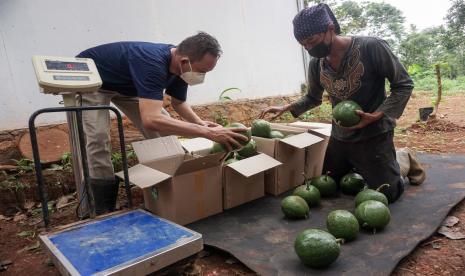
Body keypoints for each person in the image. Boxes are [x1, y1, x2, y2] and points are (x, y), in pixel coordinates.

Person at [77, 32, 247, 214]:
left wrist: (201, 124)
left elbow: (178, 102)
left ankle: (175, 183)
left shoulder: (181, 67)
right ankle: (102, 208)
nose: (202, 76)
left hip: (127, 85)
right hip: (93, 79)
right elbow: (151, 120)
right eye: (202, 71)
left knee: (164, 134)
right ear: (184, 61)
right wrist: (207, 133)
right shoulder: (152, 64)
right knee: (98, 139)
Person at [260, 4, 414, 203]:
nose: (308, 48)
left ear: (330, 29)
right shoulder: (317, 63)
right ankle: (366, 166)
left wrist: (377, 115)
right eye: (303, 44)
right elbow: (313, 98)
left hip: (374, 134)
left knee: (387, 194)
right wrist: (287, 107)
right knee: (328, 185)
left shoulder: (371, 47)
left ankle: (402, 158)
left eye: (311, 41)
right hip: (340, 136)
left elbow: (403, 84)